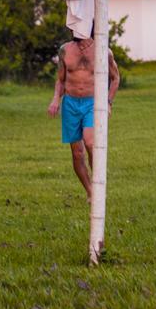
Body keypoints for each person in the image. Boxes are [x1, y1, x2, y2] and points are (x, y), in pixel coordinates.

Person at [47, 30, 120, 201]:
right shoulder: (65, 50)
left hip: (92, 103)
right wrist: (56, 99)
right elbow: (61, 79)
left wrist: (108, 102)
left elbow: (115, 78)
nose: (73, 29)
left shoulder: (104, 51)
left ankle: (98, 183)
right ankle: (90, 191)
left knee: (90, 142)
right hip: (70, 104)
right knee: (77, 152)